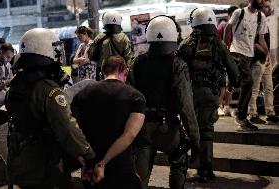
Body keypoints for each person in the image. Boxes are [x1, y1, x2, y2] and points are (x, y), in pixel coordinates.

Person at [5, 28, 95, 189]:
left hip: (21, 161)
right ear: (45, 50)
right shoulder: (48, 90)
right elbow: (67, 127)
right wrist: (89, 156)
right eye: (55, 48)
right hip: (45, 164)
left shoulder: (17, 84)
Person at [133, 16, 200, 189]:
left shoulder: (138, 62)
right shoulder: (177, 64)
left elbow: (130, 96)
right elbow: (186, 105)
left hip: (142, 127)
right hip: (168, 128)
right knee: (179, 161)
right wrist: (195, 138)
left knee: (140, 175)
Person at [178, 7, 239, 182]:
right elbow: (233, 70)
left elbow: (178, 70)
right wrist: (230, 88)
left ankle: (190, 166)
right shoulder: (218, 44)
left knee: (191, 129)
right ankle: (206, 170)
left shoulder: (186, 44)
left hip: (190, 94)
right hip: (211, 94)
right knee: (207, 131)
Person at [71, 55, 146, 189]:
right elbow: (130, 135)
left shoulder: (82, 94)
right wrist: (103, 163)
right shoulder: (135, 96)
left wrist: (84, 162)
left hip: (90, 167)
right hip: (121, 166)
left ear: (102, 71)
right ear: (124, 70)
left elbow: (74, 130)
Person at [224, 0, 268, 131]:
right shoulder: (239, 12)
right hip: (236, 51)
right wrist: (226, 46)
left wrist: (266, 55)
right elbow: (228, 27)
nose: (261, 1)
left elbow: (261, 39)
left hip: (250, 54)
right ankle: (241, 117)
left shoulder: (261, 17)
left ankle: (240, 113)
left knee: (244, 83)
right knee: (248, 82)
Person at [249, 0, 279, 124]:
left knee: (269, 87)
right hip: (257, 58)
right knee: (255, 88)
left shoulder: (266, 21)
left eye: (268, 7)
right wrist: (263, 55)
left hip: (265, 57)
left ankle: (270, 112)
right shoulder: (255, 20)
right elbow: (254, 41)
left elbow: (265, 40)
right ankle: (253, 113)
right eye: (266, 7)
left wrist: (268, 57)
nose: (268, 9)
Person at [89, 10, 134, 81]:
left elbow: (92, 57)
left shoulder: (98, 38)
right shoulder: (123, 38)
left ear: (104, 21)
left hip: (104, 76)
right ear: (119, 20)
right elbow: (129, 60)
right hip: (120, 76)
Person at [217, 6, 238, 116]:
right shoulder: (223, 26)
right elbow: (219, 42)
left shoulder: (234, 26)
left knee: (231, 83)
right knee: (224, 83)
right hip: (225, 57)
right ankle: (222, 106)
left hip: (232, 57)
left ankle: (228, 107)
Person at [0, 43, 14, 127]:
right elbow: (8, 82)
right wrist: (5, 83)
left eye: (11, 58)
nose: (9, 60)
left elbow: (11, 81)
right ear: (1, 52)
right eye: (8, 57)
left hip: (5, 101)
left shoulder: (8, 65)